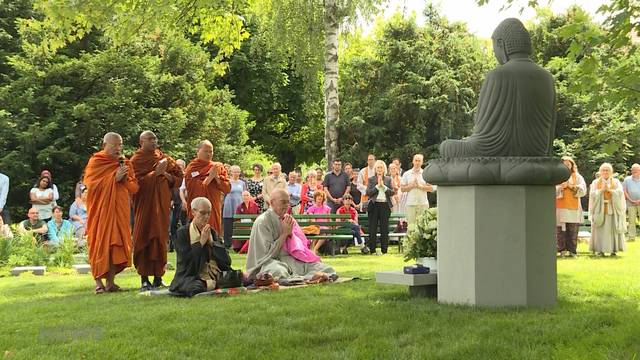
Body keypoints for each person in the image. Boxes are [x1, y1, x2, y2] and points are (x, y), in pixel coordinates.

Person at [439, 18, 555, 158]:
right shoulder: (547, 77)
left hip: (492, 150)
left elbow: (481, 132)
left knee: (447, 147)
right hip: (537, 153)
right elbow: (550, 131)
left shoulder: (497, 75)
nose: (495, 55)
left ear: (501, 43)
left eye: (494, 49)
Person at [84, 132, 139, 294]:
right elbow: (90, 185)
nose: (118, 148)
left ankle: (110, 282)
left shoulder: (125, 163)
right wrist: (113, 178)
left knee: (117, 243)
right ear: (105, 145)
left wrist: (124, 178)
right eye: (114, 145)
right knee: (99, 242)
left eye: (120, 145)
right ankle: (98, 282)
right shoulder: (96, 161)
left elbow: (134, 188)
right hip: (100, 210)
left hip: (119, 210)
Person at [130, 130, 184, 291]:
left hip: (161, 207)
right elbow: (133, 184)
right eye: (150, 139)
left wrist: (166, 175)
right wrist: (155, 174)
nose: (154, 141)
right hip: (144, 207)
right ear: (141, 142)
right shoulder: (135, 160)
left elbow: (179, 178)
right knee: (143, 238)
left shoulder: (165, 158)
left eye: (155, 138)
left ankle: (158, 277)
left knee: (160, 239)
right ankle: (144, 279)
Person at [246, 189, 337, 281]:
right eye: (283, 202)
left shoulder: (288, 219)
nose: (286, 206)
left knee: (325, 268)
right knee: (277, 271)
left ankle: (301, 278)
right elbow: (268, 255)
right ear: (272, 202)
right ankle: (304, 278)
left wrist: (292, 234)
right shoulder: (263, 222)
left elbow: (300, 247)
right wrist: (285, 233)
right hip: (270, 263)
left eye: (288, 202)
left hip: (291, 260)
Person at [169, 197, 241, 297]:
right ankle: (211, 284)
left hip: (214, 274)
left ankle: (212, 284)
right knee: (193, 287)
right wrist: (201, 243)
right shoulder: (182, 233)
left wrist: (212, 243)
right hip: (191, 276)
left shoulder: (211, 232)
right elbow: (185, 262)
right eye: (202, 213)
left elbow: (226, 261)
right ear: (193, 212)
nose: (206, 217)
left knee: (236, 278)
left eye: (209, 213)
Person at [184, 140, 231, 236]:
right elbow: (193, 188)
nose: (209, 154)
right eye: (206, 151)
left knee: (213, 237)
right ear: (198, 151)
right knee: (197, 237)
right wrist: (209, 178)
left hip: (213, 209)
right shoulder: (192, 168)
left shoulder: (217, 167)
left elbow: (227, 189)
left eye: (211, 151)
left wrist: (217, 177)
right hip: (199, 209)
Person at [588, 163, 626, 256]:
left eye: (607, 170)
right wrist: (601, 190)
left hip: (612, 209)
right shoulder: (595, 182)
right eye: (603, 170)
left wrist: (610, 190)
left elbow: (620, 192)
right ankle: (600, 250)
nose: (605, 172)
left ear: (611, 172)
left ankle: (613, 250)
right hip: (599, 210)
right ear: (600, 172)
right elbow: (592, 194)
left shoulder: (616, 182)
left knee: (612, 230)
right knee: (600, 230)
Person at [555, 156, 587, 257]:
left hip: (573, 208)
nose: (566, 166)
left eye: (568, 164)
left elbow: (583, 189)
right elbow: (551, 189)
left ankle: (572, 251)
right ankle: (562, 250)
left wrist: (571, 186)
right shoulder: (556, 175)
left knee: (572, 230)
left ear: (572, 165)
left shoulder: (577, 176)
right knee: (560, 230)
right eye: (564, 164)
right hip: (560, 206)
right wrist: (560, 187)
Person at [366, 160, 395, 255]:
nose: (379, 169)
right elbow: (368, 193)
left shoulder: (388, 179)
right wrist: (378, 187)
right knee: (372, 228)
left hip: (385, 205)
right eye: (378, 167)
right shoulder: (371, 179)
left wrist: (384, 187)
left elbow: (392, 192)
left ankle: (384, 250)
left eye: (381, 167)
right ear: (375, 169)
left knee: (384, 229)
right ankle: (373, 250)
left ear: (384, 169)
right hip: (374, 205)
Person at [400, 154, 434, 230]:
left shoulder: (426, 174)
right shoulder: (407, 174)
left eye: (419, 161)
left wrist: (420, 186)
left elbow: (431, 189)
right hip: (410, 204)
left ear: (422, 162)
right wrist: (411, 186)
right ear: (413, 161)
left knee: (423, 227)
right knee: (411, 227)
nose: (417, 162)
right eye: (416, 160)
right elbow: (402, 189)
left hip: (423, 204)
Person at [222, 165, 246, 249]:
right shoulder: (227, 181)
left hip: (239, 205)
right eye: (234, 171)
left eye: (238, 171)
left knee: (238, 225)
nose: (236, 173)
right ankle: (227, 244)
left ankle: (238, 245)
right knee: (228, 225)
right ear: (231, 172)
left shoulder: (242, 183)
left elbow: (245, 194)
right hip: (229, 204)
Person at [170, 159, 188, 252]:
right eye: (177, 165)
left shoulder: (186, 176)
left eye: (181, 165)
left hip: (184, 203)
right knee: (173, 224)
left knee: (184, 224)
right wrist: (171, 199)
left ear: (184, 166)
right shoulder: (172, 176)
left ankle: (184, 243)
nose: (179, 166)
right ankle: (173, 243)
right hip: (174, 203)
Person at [623, 163, 640, 242]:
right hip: (630, 203)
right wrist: (631, 200)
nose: (634, 171)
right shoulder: (627, 179)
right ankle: (631, 237)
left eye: (636, 170)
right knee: (631, 221)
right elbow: (625, 191)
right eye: (633, 170)